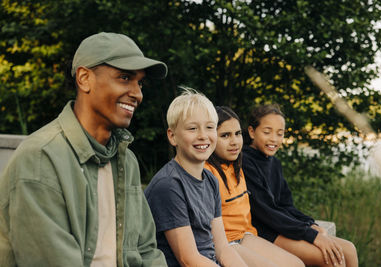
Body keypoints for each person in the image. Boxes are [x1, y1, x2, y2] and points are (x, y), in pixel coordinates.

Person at [0, 32, 168, 267]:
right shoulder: (40, 158)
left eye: (139, 83)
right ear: (84, 78)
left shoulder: (126, 160)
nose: (138, 94)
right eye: (124, 77)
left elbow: (147, 252)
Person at [242, 104, 359, 267]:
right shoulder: (245, 161)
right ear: (252, 132)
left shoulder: (274, 163)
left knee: (349, 250)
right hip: (265, 230)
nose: (274, 139)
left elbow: (286, 205)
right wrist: (311, 235)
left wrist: (311, 224)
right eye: (267, 132)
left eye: (280, 133)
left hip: (283, 226)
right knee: (333, 259)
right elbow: (266, 212)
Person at [145, 89, 249, 266]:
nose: (203, 135)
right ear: (172, 136)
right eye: (192, 128)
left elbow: (222, 248)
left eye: (209, 127)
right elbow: (188, 259)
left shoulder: (210, 180)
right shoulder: (169, 185)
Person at [204, 106, 304, 267]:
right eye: (225, 135)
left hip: (246, 235)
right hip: (225, 242)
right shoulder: (208, 172)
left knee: (297, 264)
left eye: (237, 134)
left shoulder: (237, 165)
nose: (234, 141)